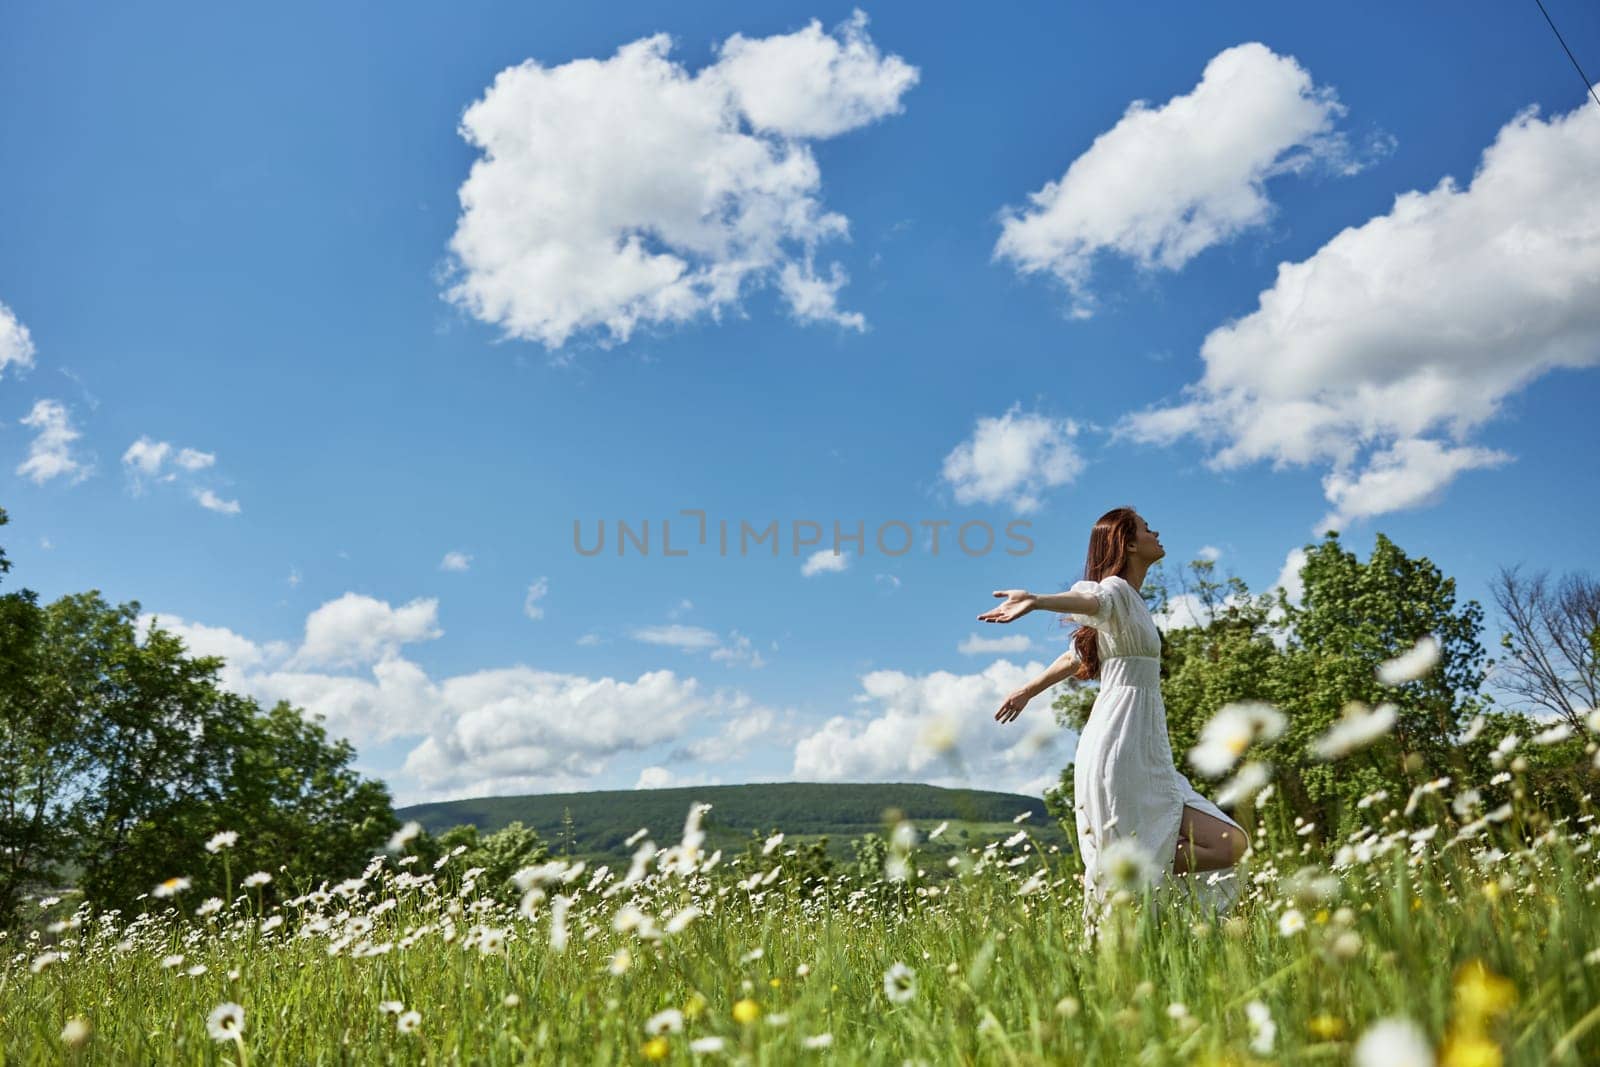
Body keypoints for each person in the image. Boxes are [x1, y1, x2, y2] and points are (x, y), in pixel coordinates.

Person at [977, 506, 1245, 929]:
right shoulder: (1115, 590)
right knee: (1208, 844)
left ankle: (1133, 878)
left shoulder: (1131, 603)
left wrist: (1027, 690)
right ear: (1130, 543)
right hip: (1118, 744)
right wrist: (1038, 601)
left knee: (1229, 844)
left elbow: (1076, 655)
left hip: (1143, 744)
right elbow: (1092, 600)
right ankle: (1118, 931)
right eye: (1145, 527)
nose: (1156, 530)